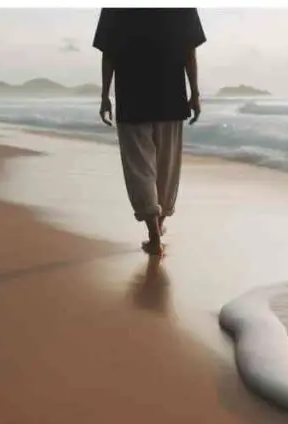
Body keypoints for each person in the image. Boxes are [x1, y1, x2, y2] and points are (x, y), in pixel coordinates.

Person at [93, 8, 206, 256]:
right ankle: (158, 225)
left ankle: (154, 232)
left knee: (139, 168)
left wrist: (105, 95)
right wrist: (194, 92)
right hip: (170, 96)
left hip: (132, 97)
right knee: (166, 167)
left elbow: (108, 54)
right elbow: (190, 50)